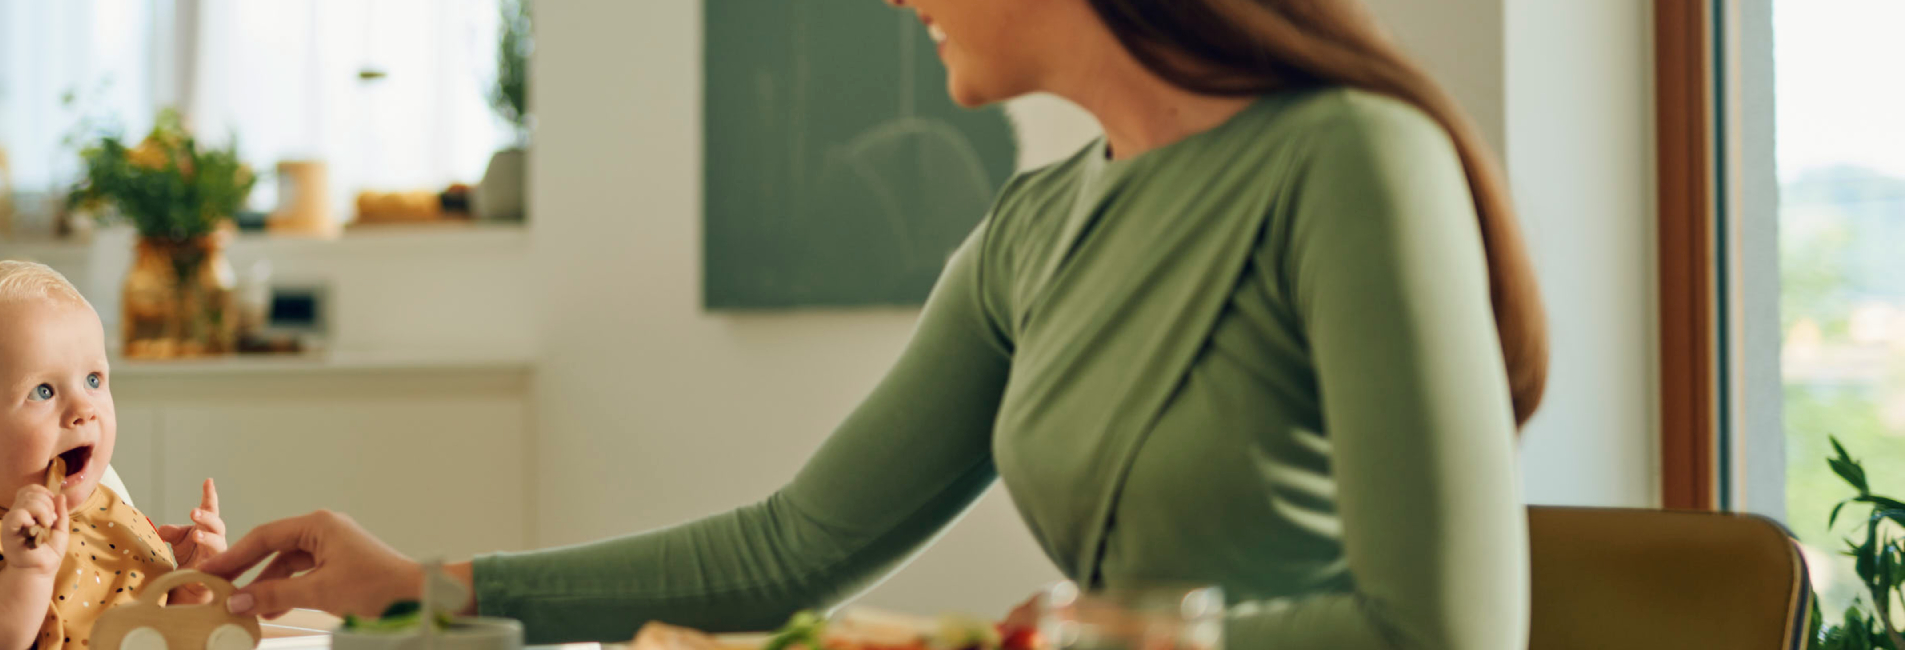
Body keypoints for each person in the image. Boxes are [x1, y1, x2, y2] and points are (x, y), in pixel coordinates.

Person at [203, 0, 1547, 648]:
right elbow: (796, 546)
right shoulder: (1034, 232)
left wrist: (1071, 640)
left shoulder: (1353, 162)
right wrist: (430, 585)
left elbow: (1448, 630)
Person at [0, 261, 233, 650]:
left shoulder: (112, 521)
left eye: (93, 380)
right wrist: (28, 575)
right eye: (43, 391)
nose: (85, 408)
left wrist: (191, 586)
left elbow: (155, 633)